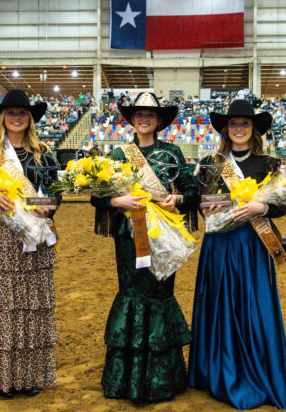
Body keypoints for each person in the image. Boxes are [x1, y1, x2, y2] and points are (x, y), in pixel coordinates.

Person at [90, 92, 199, 403]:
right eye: (139, 113)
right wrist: (117, 201)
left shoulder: (173, 152)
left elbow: (192, 193)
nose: (144, 118)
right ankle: (129, 380)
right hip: (129, 236)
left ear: (159, 120)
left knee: (160, 294)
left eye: (150, 114)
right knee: (132, 293)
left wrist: (176, 199)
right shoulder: (117, 155)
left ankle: (159, 379)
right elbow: (96, 196)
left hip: (163, 235)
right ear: (132, 118)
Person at [190, 99, 286, 410]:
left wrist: (262, 207)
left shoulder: (269, 164)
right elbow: (201, 202)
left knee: (255, 306)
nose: (238, 128)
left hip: (252, 244)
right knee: (220, 304)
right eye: (233, 124)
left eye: (244, 124)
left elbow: (281, 206)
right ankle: (217, 372)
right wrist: (205, 205)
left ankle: (258, 370)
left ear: (253, 129)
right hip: (220, 245)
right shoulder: (211, 162)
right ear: (226, 128)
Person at [0, 89, 61, 398]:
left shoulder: (43, 152)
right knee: (4, 308)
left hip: (35, 234)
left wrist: (49, 205)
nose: (16, 117)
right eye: (11, 112)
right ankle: (1, 379)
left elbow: (55, 192)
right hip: (2, 236)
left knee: (30, 308)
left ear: (29, 118)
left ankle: (27, 377)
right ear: (2, 117)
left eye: (22, 112)